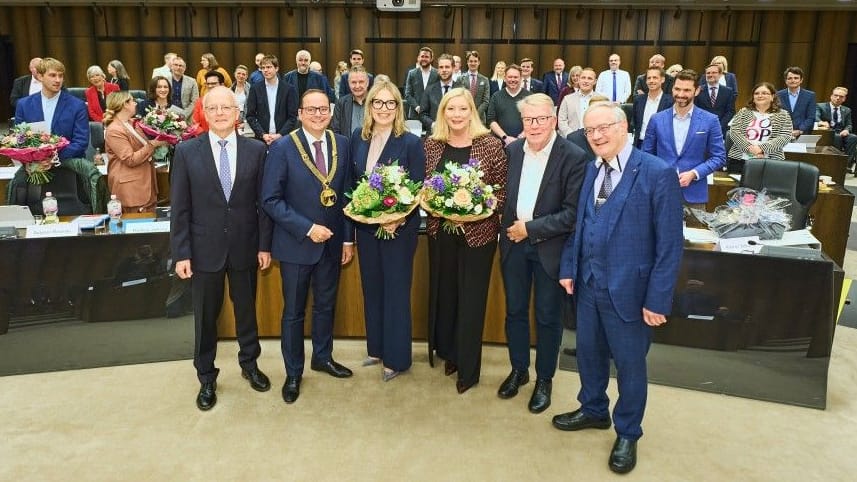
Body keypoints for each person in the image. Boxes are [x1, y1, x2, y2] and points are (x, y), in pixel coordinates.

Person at [553, 102, 684, 475]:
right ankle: (594, 409)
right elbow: (579, 226)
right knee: (589, 354)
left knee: (629, 366)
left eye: (604, 128)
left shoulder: (657, 173)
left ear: (624, 126)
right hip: (589, 285)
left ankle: (628, 431)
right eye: (590, 130)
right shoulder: (593, 170)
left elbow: (670, 245)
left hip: (632, 292)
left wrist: (658, 299)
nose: (596, 136)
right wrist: (569, 268)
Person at [170, 86, 273, 411]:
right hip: (202, 251)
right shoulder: (186, 152)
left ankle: (250, 365)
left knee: (246, 311)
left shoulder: (257, 150)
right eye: (212, 108)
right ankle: (206, 377)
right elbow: (180, 208)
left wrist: (264, 245)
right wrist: (181, 253)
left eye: (225, 108)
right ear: (203, 112)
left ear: (236, 112)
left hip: (245, 246)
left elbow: (263, 205)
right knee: (205, 318)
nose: (219, 113)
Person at [261, 89, 355, 404]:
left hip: (331, 245)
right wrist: (307, 228)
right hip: (295, 244)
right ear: (299, 113)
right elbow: (270, 200)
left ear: (330, 112)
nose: (318, 114)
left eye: (323, 109)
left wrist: (346, 238)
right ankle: (293, 372)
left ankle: (322, 356)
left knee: (326, 305)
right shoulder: (283, 148)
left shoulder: (341, 144)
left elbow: (344, 196)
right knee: (294, 312)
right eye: (311, 110)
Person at [498, 93, 587, 414]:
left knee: (548, 318)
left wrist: (530, 228)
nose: (533, 126)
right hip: (513, 246)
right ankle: (519, 370)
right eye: (527, 120)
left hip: (550, 249)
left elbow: (572, 213)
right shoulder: (511, 152)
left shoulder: (574, 157)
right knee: (515, 312)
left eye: (540, 119)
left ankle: (544, 379)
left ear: (553, 120)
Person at [424, 87, 507, 394]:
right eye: (450, 109)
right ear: (442, 112)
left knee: (471, 301)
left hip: (478, 235)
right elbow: (425, 188)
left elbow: (501, 190)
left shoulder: (489, 145)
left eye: (462, 109)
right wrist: (439, 207)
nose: (456, 115)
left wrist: (476, 212)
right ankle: (451, 354)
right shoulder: (432, 145)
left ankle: (468, 370)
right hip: (440, 234)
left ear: (472, 111)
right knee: (446, 297)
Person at [349, 81, 425, 382]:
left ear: (398, 108)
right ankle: (377, 348)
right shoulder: (358, 138)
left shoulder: (410, 142)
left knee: (395, 292)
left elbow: (417, 188)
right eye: (377, 103)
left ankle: (397, 358)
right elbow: (353, 185)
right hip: (366, 229)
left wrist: (398, 219)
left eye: (389, 103)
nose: (383, 108)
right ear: (369, 107)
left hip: (398, 231)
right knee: (373, 288)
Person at [642, 70, 726, 209]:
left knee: (695, 231)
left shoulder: (710, 120)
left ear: (697, 91)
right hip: (660, 191)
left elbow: (719, 157)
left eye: (687, 90)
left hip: (694, 195)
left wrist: (694, 173)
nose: (680, 95)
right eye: (677, 89)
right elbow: (646, 155)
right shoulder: (656, 119)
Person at [103, 91, 168, 213]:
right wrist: (153, 144)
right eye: (132, 100)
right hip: (131, 189)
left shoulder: (133, 123)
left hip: (146, 184)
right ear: (124, 105)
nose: (135, 103)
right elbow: (130, 159)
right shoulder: (114, 130)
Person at [15, 57, 89, 161]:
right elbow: (19, 139)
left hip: (67, 166)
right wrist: (33, 162)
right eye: (52, 75)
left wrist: (52, 158)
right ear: (40, 76)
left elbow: (81, 142)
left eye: (61, 76)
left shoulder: (77, 105)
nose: (58, 80)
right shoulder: (24, 105)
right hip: (33, 167)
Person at [727, 82, 793, 173]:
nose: (760, 95)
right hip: (740, 160)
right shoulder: (744, 112)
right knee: (739, 187)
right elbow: (734, 132)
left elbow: (785, 136)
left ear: (772, 97)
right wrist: (750, 148)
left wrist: (762, 149)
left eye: (764, 93)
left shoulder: (783, 114)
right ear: (753, 98)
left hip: (771, 161)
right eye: (756, 93)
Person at [245, 55, 299, 145]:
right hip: (261, 140)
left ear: (276, 68)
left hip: (283, 139)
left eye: (269, 67)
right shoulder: (255, 89)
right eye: (263, 68)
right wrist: (263, 134)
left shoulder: (288, 89)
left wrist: (280, 135)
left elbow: (292, 117)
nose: (265, 70)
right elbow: (250, 116)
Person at [487, 64, 531, 146]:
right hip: (500, 144)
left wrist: (522, 136)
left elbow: (533, 119)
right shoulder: (496, 96)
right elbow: (491, 120)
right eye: (510, 77)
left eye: (516, 77)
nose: (513, 80)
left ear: (521, 78)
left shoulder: (529, 97)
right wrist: (505, 137)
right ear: (505, 78)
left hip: (524, 143)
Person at [817, 86, 857, 172]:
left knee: (853, 137)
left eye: (841, 96)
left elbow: (849, 124)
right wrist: (821, 122)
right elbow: (815, 117)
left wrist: (847, 130)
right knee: (837, 137)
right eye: (836, 95)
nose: (838, 98)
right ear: (831, 96)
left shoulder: (847, 110)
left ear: (844, 99)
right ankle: (835, 163)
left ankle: (846, 165)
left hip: (841, 132)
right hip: (827, 132)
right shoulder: (821, 106)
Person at [632, 67, 673, 147]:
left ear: (662, 80)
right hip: (639, 144)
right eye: (649, 78)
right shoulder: (638, 100)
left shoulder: (671, 102)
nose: (651, 81)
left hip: (660, 146)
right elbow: (635, 123)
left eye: (655, 78)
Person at [694, 63, 735, 137]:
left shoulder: (728, 91)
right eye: (708, 73)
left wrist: (719, 126)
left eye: (714, 72)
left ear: (720, 74)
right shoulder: (698, 90)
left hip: (720, 130)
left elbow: (730, 111)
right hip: (701, 129)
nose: (710, 75)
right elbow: (695, 109)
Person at [419, 53, 456, 133]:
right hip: (435, 135)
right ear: (438, 70)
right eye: (441, 67)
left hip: (456, 134)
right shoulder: (429, 90)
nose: (444, 70)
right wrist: (433, 124)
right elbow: (422, 114)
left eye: (447, 67)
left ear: (453, 68)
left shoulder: (461, 89)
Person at [777, 66, 817, 138]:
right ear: (786, 81)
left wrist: (800, 130)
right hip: (781, 134)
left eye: (796, 78)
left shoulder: (810, 95)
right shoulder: (778, 95)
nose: (793, 80)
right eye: (790, 78)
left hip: (803, 134)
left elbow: (811, 117)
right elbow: (775, 115)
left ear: (801, 80)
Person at [557, 67, 597, 137]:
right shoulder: (567, 99)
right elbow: (562, 121)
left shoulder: (601, 100)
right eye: (583, 78)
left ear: (595, 81)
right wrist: (572, 136)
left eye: (589, 78)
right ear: (579, 80)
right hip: (572, 141)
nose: (586, 81)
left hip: (596, 139)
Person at [454, 50, 490, 125]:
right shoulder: (460, 79)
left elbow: (486, 101)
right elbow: (457, 99)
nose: (473, 63)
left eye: (475, 61)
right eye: (471, 61)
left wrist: (475, 114)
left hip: (479, 119)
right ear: (467, 62)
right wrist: (466, 112)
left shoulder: (485, 80)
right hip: (462, 117)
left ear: (479, 62)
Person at [330, 66, 369, 136]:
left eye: (361, 82)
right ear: (348, 83)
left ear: (367, 82)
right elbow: (335, 131)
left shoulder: (375, 102)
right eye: (353, 82)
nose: (357, 86)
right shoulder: (341, 103)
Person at [403, 47, 437, 120]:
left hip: (432, 115)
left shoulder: (437, 74)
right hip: (415, 114)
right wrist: (417, 107)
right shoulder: (412, 73)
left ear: (431, 59)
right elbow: (407, 95)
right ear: (418, 58)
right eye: (422, 56)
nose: (424, 59)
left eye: (427, 57)